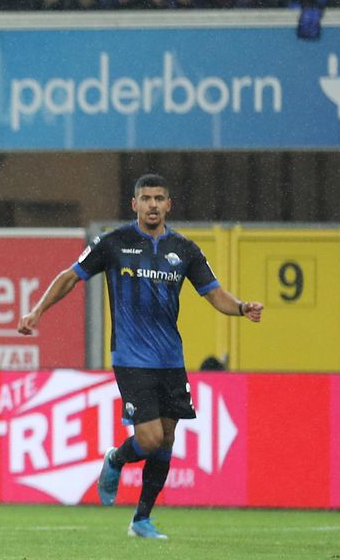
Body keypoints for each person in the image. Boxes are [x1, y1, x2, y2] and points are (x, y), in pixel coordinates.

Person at [18, 174, 263, 539]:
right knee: (148, 439)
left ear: (169, 205)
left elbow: (214, 294)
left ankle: (141, 520)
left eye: (159, 198)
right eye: (146, 198)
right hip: (131, 358)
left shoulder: (185, 249)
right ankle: (116, 459)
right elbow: (70, 276)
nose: (152, 205)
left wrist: (242, 307)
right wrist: (38, 311)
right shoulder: (114, 242)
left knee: (167, 439)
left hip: (171, 359)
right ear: (134, 204)